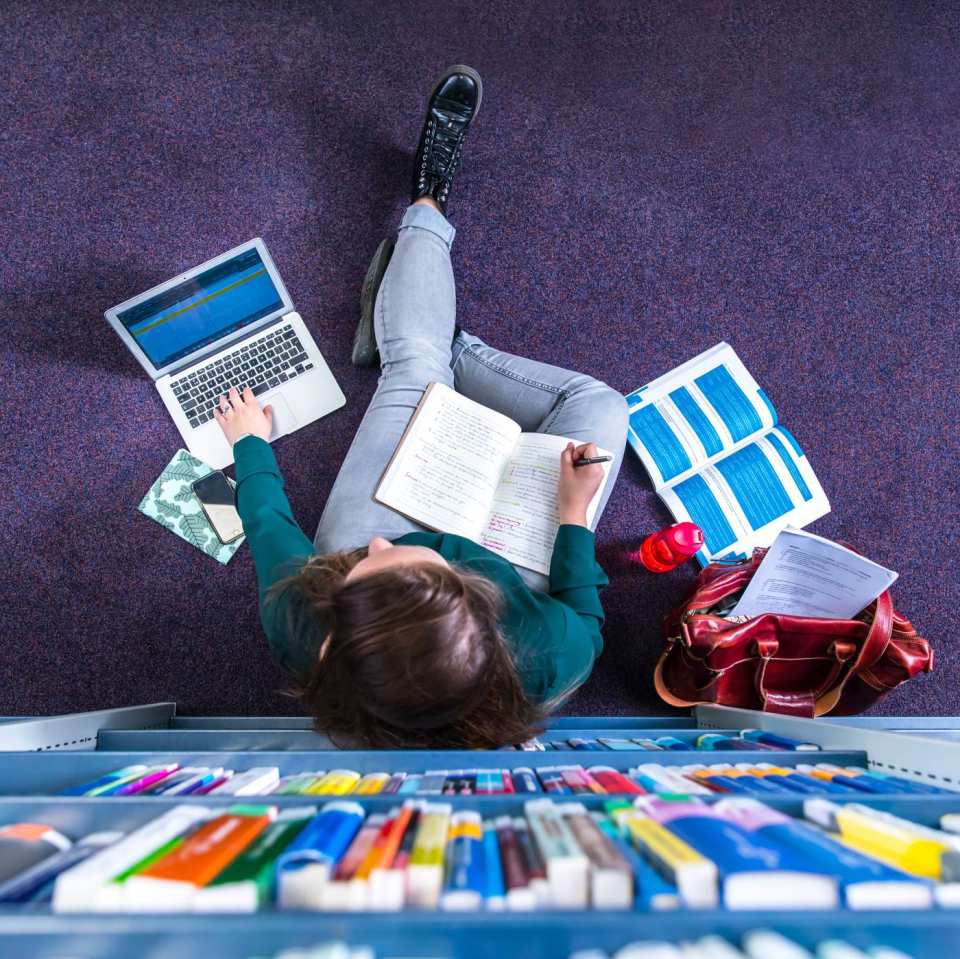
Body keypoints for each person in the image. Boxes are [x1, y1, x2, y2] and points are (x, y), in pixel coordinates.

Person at [214, 65, 629, 748]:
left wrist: (250, 444)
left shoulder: (316, 626)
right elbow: (582, 611)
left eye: (364, 564)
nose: (377, 546)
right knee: (600, 406)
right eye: (402, 559)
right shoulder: (548, 656)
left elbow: (269, 530)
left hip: (419, 543)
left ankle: (427, 212)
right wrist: (573, 514)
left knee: (413, 365)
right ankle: (432, 339)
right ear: (479, 594)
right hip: (517, 552)